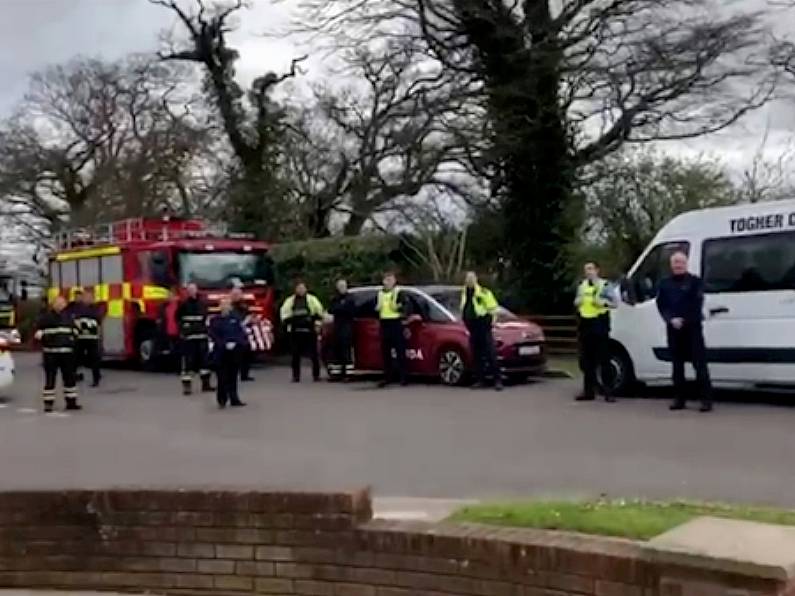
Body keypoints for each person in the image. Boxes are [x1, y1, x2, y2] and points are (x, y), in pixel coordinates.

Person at [657, 252, 713, 412]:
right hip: (674, 330)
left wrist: (684, 319)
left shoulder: (695, 282)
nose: (678, 265)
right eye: (675, 262)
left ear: (686, 263)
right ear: (671, 265)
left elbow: (697, 302)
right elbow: (661, 305)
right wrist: (671, 319)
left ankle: (706, 401)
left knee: (699, 364)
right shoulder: (665, 283)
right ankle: (679, 400)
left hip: (692, 328)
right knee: (677, 366)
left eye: (681, 262)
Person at [574, 261, 617, 402]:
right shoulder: (582, 285)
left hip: (600, 324)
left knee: (604, 359)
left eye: (591, 269)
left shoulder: (605, 285)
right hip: (585, 324)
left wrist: (603, 303)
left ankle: (608, 392)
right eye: (586, 269)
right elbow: (577, 301)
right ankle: (588, 391)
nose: (588, 272)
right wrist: (577, 302)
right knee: (587, 360)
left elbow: (615, 303)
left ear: (597, 270)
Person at [34, 295, 81, 413]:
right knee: (50, 379)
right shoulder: (45, 318)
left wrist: (73, 340)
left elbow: (76, 331)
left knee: (70, 379)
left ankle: (71, 402)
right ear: (53, 304)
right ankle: (48, 404)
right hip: (51, 354)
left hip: (67, 354)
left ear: (65, 305)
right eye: (57, 303)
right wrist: (46, 338)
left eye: (62, 303)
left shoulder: (69, 317)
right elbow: (37, 334)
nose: (60, 305)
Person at [460, 272, 502, 391]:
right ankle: (480, 380)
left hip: (483, 325)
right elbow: (464, 308)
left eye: (471, 279)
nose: (469, 281)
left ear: (476, 280)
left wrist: (491, 322)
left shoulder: (483, 292)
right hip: (472, 327)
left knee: (490, 354)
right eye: (467, 279)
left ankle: (497, 380)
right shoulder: (464, 293)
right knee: (476, 355)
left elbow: (493, 308)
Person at [280, 281, 325, 382]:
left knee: (314, 355)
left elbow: (319, 312)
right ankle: (296, 376)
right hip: (296, 332)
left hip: (310, 330)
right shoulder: (290, 301)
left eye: (302, 288)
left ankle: (316, 375)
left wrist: (317, 324)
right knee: (295, 355)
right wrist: (289, 322)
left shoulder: (312, 299)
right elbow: (284, 314)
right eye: (299, 288)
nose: (301, 290)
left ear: (306, 289)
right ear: (295, 290)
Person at [209, 297, 248, 409]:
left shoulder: (235, 319)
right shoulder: (215, 320)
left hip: (234, 352)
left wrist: (236, 343)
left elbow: (241, 333)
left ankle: (234, 399)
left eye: (227, 304)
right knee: (222, 377)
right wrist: (223, 344)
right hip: (220, 353)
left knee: (233, 376)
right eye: (223, 304)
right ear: (220, 307)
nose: (225, 307)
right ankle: (222, 399)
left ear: (230, 307)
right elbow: (213, 335)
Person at [176, 283, 213, 395]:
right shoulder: (183, 305)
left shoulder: (202, 304)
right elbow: (178, 319)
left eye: (193, 290)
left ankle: (206, 384)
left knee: (205, 362)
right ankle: (187, 387)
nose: (192, 292)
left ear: (196, 290)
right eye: (190, 290)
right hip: (189, 338)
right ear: (187, 291)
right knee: (188, 363)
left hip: (202, 337)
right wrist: (184, 330)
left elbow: (207, 318)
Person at [376, 271, 408, 388]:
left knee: (400, 351)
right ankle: (387, 377)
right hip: (384, 323)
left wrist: (399, 308)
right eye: (386, 280)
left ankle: (403, 377)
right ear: (383, 281)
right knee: (385, 353)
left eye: (391, 280)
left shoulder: (398, 292)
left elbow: (406, 306)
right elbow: (375, 307)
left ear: (394, 281)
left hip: (396, 323)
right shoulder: (380, 293)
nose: (388, 282)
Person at [72, 289, 103, 387]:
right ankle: (73, 376)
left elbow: (99, 323)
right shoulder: (78, 308)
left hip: (92, 338)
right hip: (80, 338)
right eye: (86, 297)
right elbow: (74, 320)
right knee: (76, 358)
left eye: (90, 297)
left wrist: (99, 337)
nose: (88, 299)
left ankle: (96, 379)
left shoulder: (95, 309)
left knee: (94, 359)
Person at [327, 279, 356, 381]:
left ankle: (348, 374)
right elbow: (331, 309)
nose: (341, 288)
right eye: (339, 286)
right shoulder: (335, 298)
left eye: (343, 286)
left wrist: (339, 308)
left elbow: (350, 310)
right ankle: (336, 374)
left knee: (346, 351)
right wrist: (340, 308)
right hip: (337, 326)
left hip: (347, 326)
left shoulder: (350, 298)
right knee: (336, 350)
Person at [230, 286, 255, 382]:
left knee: (246, 353)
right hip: (233, 332)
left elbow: (249, 314)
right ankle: (234, 374)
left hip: (244, 332)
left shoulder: (244, 305)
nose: (237, 296)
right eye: (235, 294)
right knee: (235, 356)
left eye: (238, 294)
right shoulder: (229, 306)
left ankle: (245, 374)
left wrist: (251, 319)